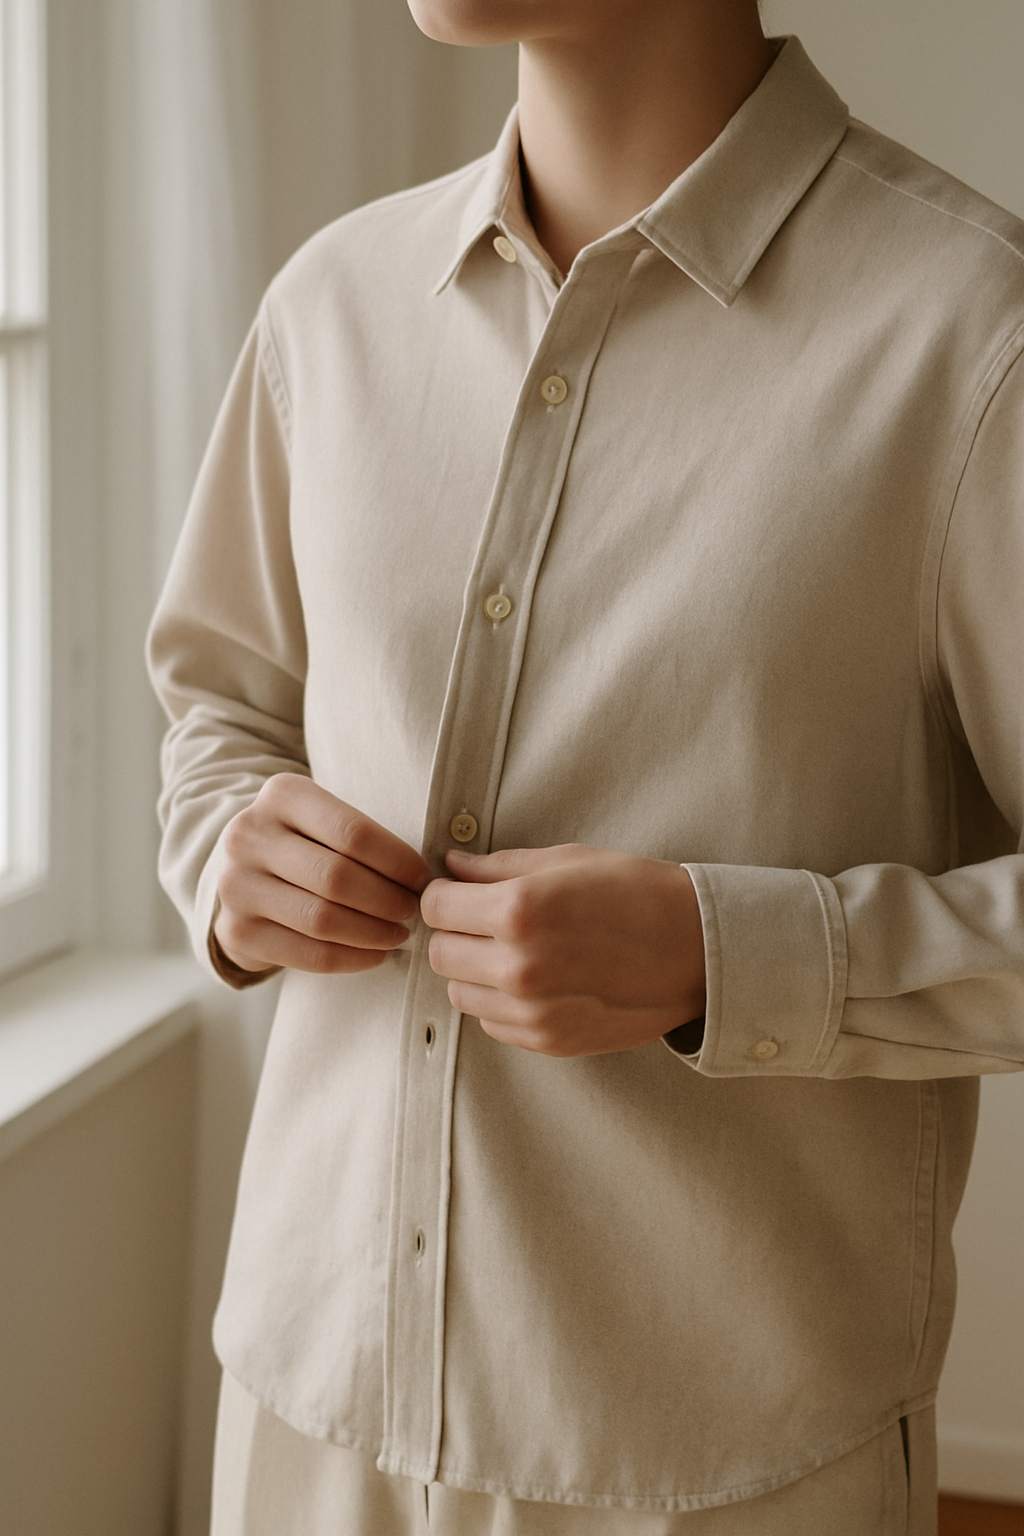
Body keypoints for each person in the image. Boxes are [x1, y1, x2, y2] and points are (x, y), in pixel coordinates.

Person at [147, 1, 1024, 1532]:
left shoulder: (970, 338)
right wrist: (230, 854)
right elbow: (215, 708)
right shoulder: (329, 309)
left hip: (717, 1463)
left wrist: (724, 954)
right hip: (303, 1414)